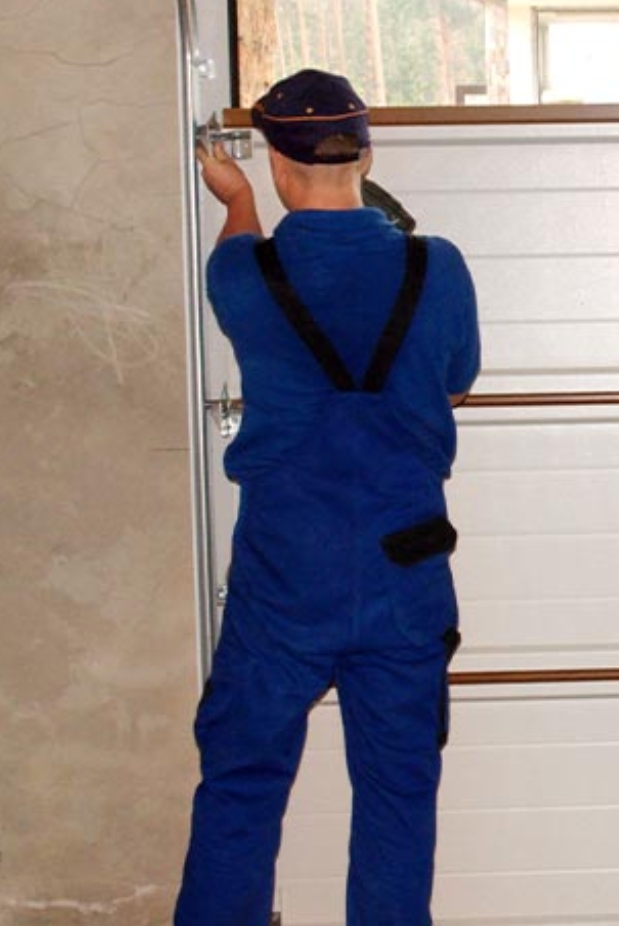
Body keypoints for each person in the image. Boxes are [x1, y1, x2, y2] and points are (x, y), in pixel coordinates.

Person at [176, 69, 481, 926]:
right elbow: (453, 385)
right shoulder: (438, 267)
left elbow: (243, 251)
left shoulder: (245, 275)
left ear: (277, 164)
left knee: (241, 784)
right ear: (366, 151)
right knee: (397, 796)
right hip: (404, 571)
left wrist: (231, 196)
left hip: (285, 574)